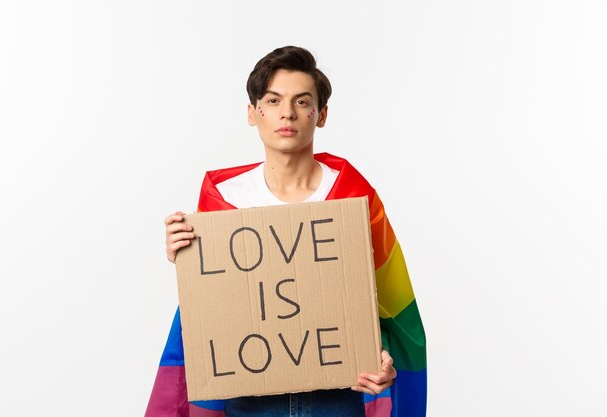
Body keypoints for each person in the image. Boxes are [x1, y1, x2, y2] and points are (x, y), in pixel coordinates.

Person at [145, 46, 427, 417]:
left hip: (336, 399)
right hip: (248, 401)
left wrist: (384, 366)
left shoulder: (355, 198)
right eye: (273, 100)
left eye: (302, 101)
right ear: (252, 113)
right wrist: (183, 255)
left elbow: (389, 305)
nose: (287, 113)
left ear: (320, 114)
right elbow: (212, 309)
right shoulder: (223, 199)